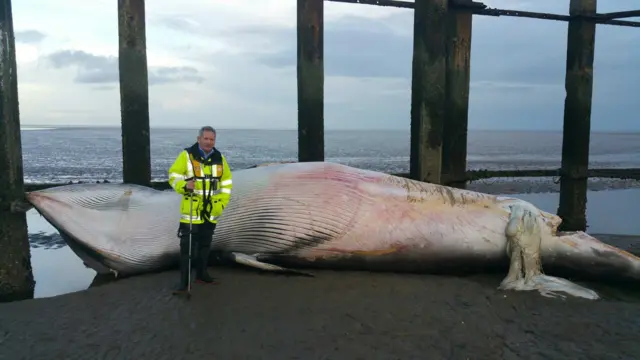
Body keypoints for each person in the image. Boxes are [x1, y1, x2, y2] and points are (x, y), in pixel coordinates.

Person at [167, 126, 233, 294]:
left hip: (210, 212)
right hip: (191, 211)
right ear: (199, 139)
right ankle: (184, 283)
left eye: (212, 139)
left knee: (205, 246)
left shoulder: (220, 158)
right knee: (187, 249)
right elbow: (173, 175)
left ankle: (202, 274)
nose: (209, 142)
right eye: (206, 139)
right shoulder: (187, 156)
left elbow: (226, 184)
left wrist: (220, 205)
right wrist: (184, 185)